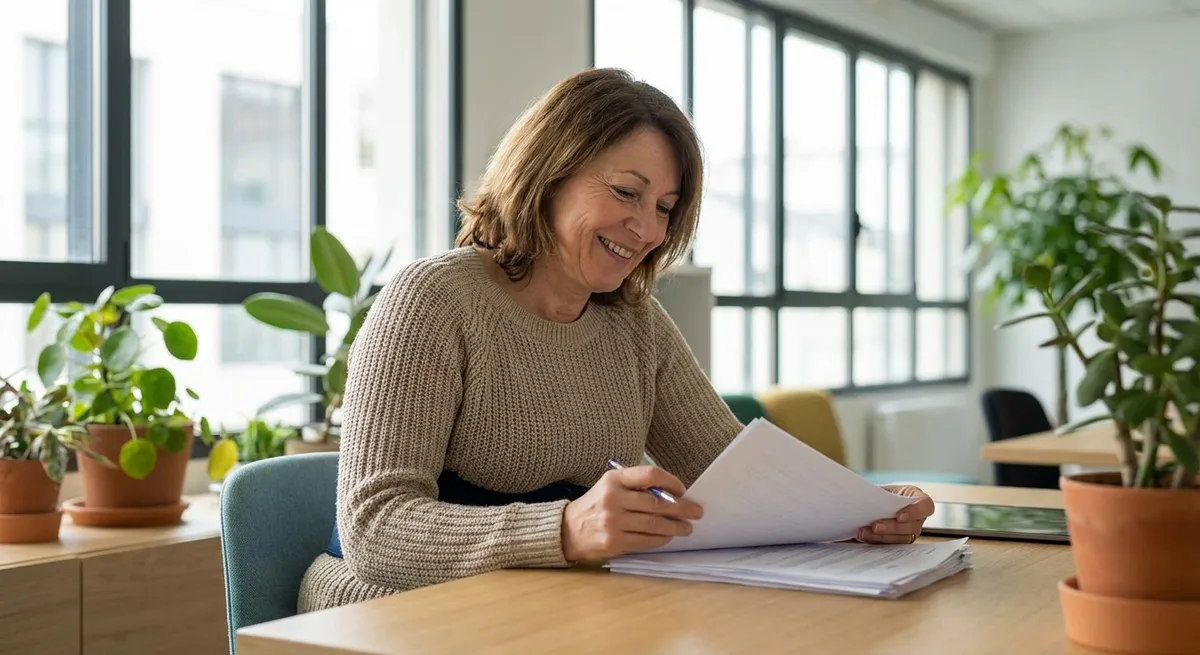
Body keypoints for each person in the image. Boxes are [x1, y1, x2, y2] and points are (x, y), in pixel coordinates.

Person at [296, 67, 934, 613]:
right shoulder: (432, 300)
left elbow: (742, 474)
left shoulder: (635, 322)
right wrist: (566, 528)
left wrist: (867, 507)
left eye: (665, 207)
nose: (647, 227)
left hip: (548, 598)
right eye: (627, 192)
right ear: (548, 173)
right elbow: (375, 530)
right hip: (387, 606)